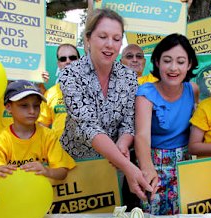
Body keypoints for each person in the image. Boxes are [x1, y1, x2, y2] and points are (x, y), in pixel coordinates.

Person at [58, 8, 151, 200]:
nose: (110, 45)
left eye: (116, 39)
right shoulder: (70, 74)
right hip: (76, 164)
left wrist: (123, 144)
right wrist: (128, 167)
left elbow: (129, 121)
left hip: (114, 164)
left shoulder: (128, 76)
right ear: (88, 38)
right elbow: (88, 126)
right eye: (102, 36)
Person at [135, 33, 200, 215]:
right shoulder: (145, 93)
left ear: (189, 65)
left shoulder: (193, 90)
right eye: (167, 60)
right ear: (157, 62)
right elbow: (141, 136)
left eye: (180, 61)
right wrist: (147, 170)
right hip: (153, 164)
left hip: (184, 165)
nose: (173, 68)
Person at [0, 80, 75, 185]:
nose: (32, 111)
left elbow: (62, 172)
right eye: (24, 105)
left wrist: (47, 171)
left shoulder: (48, 135)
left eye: (36, 106)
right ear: (8, 107)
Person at [38, 43, 80, 136]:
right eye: (63, 59)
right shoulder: (50, 93)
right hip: (57, 150)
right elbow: (42, 126)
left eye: (72, 58)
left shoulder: (93, 89)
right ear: (59, 64)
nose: (68, 61)